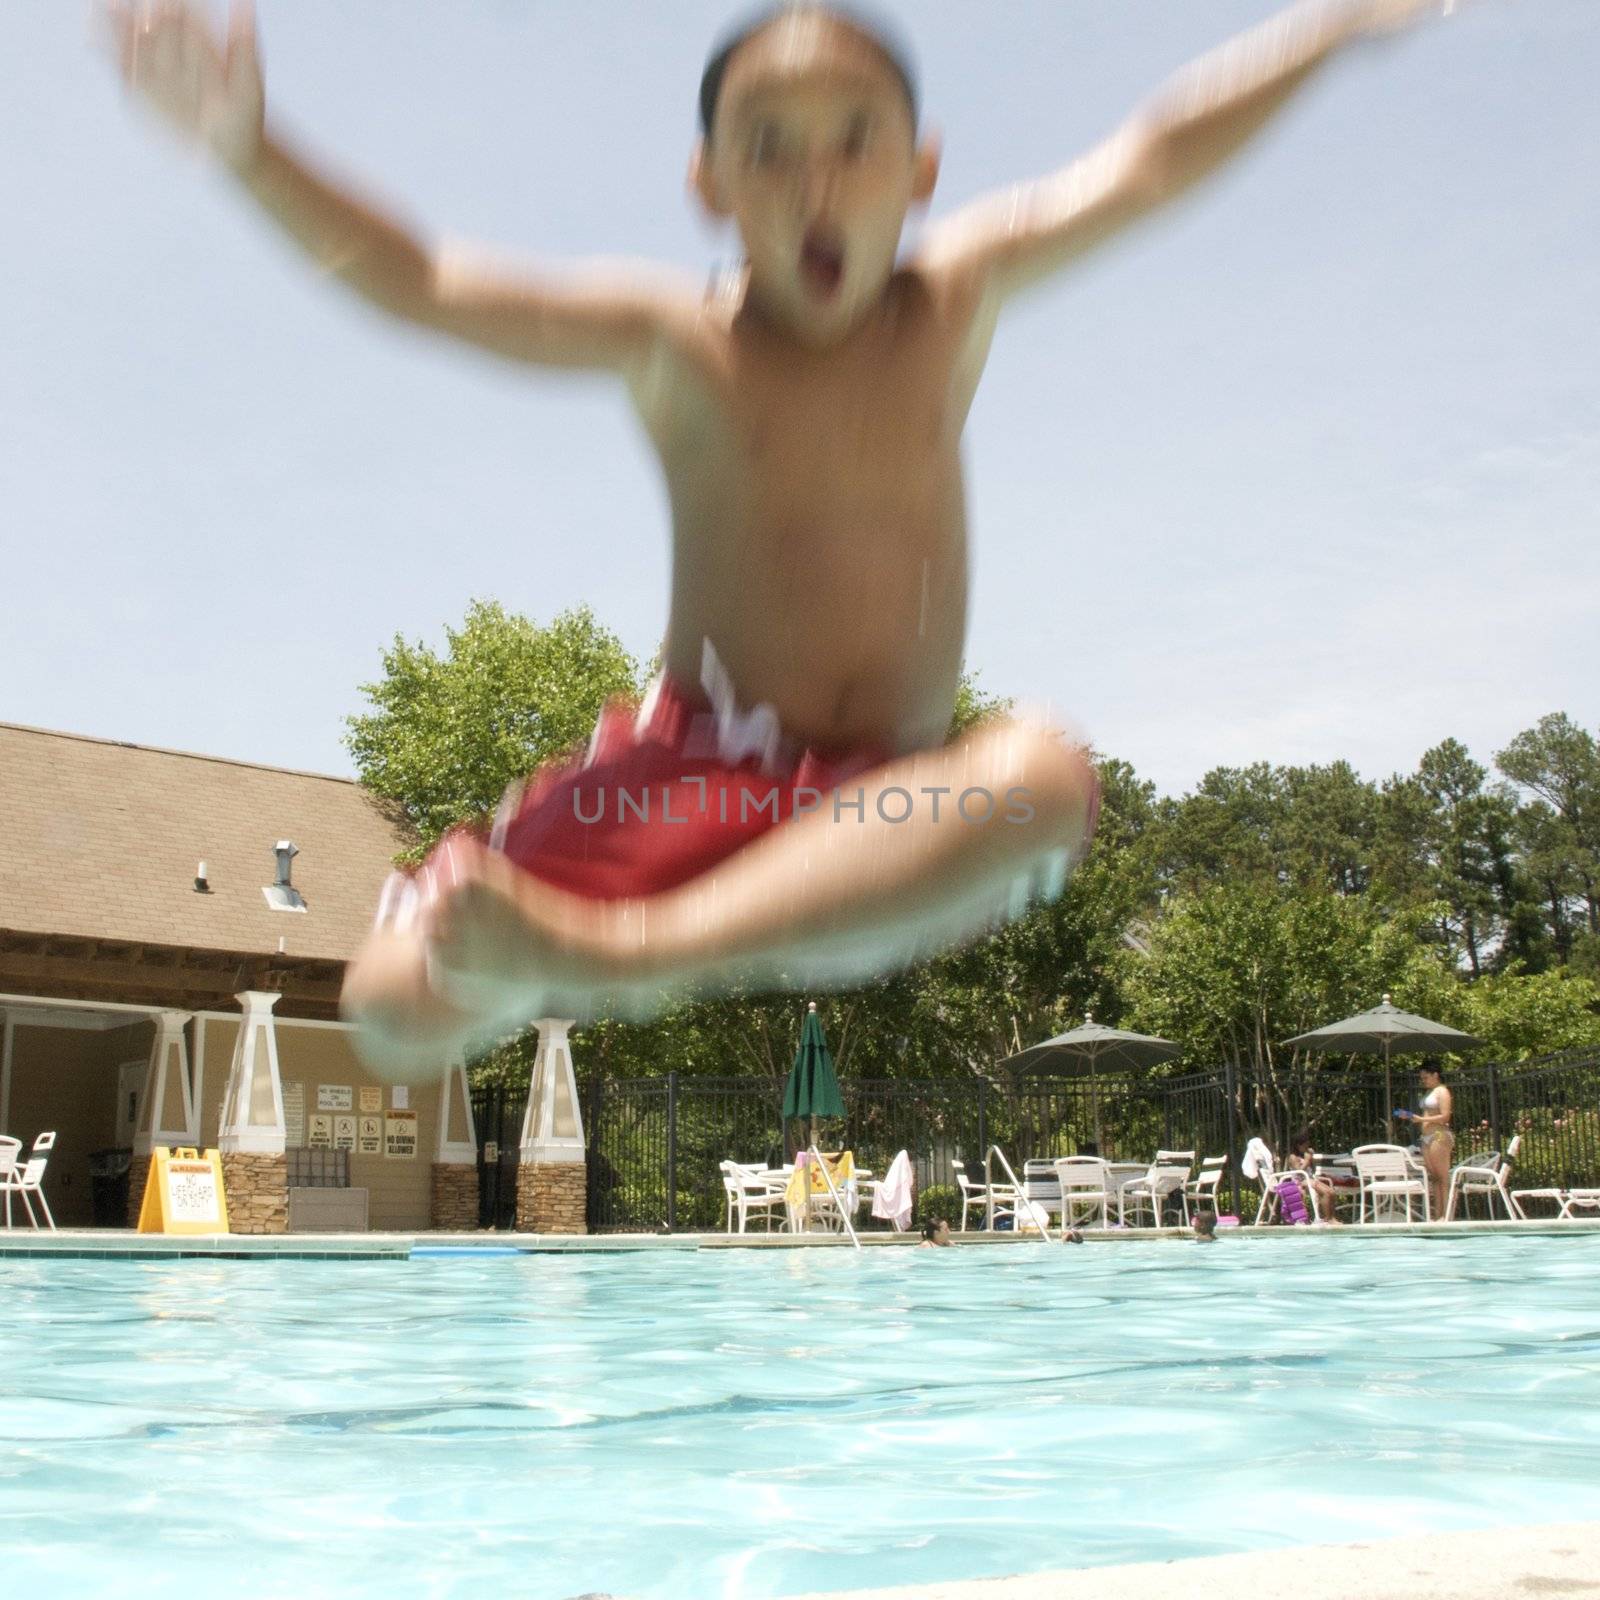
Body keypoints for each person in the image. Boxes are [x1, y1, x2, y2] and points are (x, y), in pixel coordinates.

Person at [109, 0, 1455, 1077]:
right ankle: (603, 942)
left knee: (1042, 781)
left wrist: (1326, 27)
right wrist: (243, 142)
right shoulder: (677, 345)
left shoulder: (956, 294)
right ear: (709, 188)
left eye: (856, 136)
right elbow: (429, 282)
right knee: (393, 1006)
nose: (816, 177)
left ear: (923, 169)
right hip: (695, 777)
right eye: (769, 145)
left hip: (885, 814)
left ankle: (629, 953)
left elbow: (1155, 158)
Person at [1398, 1061, 1453, 1218]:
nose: (1423, 1081)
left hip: (1439, 1135)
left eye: (1426, 1077)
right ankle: (1437, 1214)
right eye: (1421, 1078)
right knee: (1434, 1177)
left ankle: (1446, 1216)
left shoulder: (1442, 1091)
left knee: (1442, 1176)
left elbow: (1445, 1116)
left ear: (1435, 1075)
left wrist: (1420, 1120)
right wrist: (1409, 1116)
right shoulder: (1429, 1092)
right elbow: (1426, 1115)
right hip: (1426, 1137)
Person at [1287, 1130, 1343, 1225]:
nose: (1307, 1147)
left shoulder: (1306, 1154)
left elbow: (1312, 1170)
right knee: (1325, 1192)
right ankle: (1328, 1219)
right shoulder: (1293, 1157)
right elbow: (1299, 1172)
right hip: (1300, 1181)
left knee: (1331, 1192)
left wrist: (1311, 1159)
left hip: (1309, 1179)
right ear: (1298, 1145)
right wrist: (1307, 1160)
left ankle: (1331, 1217)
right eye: (1305, 1145)